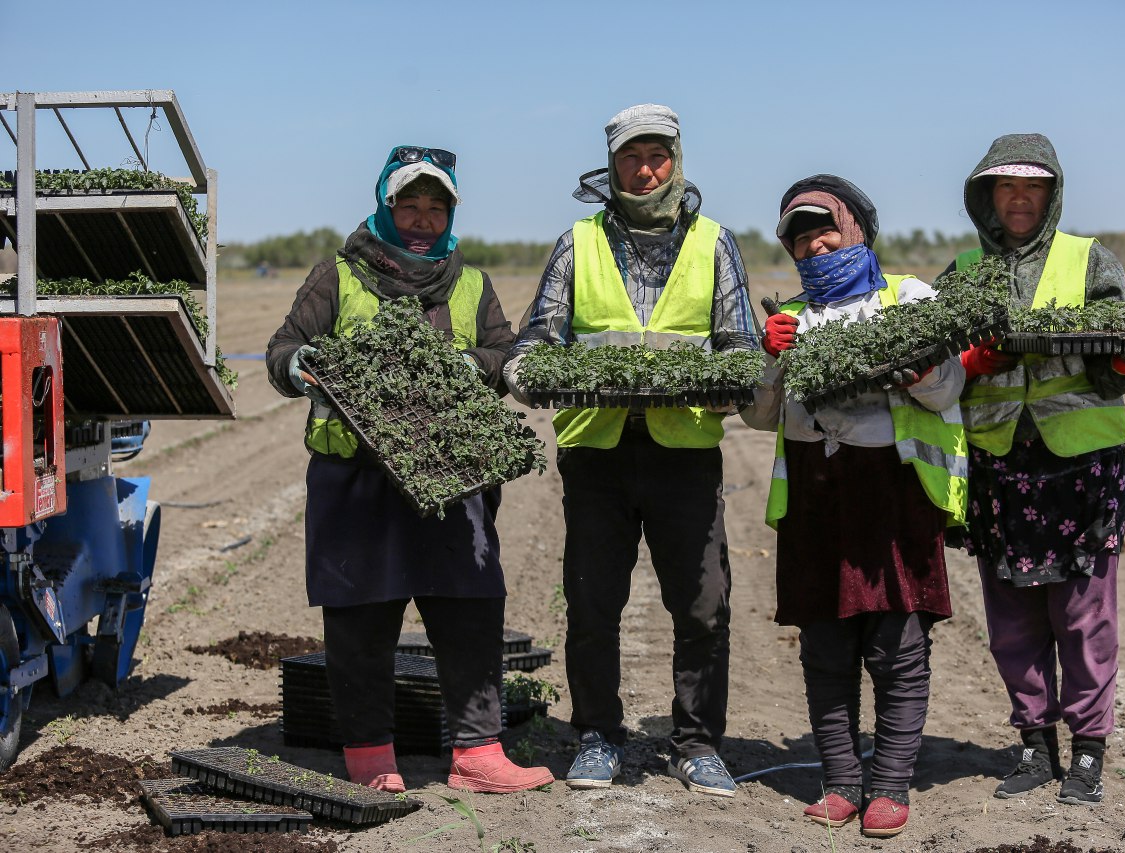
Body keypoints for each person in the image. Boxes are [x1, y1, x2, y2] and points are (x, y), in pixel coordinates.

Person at [265, 145, 552, 795]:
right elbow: (282, 351)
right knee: (360, 611)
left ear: (450, 212)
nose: (423, 218)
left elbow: (503, 353)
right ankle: (370, 753)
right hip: (356, 478)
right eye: (410, 204)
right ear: (386, 206)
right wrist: (302, 363)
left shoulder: (470, 282)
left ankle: (478, 752)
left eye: (436, 205)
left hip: (453, 475)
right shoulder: (337, 275)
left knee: (470, 605)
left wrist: (475, 366)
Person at [504, 104, 758, 797]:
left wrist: (731, 382)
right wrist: (527, 373)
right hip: (598, 453)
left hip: (684, 451)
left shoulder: (714, 243)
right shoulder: (576, 242)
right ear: (611, 165)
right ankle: (596, 734)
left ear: (677, 161)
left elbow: (743, 347)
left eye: (658, 156)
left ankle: (699, 743)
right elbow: (537, 338)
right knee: (592, 600)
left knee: (703, 604)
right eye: (631, 158)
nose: (645, 170)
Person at [943, 133, 1125, 806]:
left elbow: (1107, 367)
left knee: (1083, 617)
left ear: (1052, 193)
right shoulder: (962, 272)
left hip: (1080, 466)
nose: (1019, 198)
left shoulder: (1089, 260)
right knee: (1012, 619)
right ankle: (1034, 746)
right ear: (987, 196)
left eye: (1033, 186)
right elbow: (940, 375)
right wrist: (969, 365)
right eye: (1006, 186)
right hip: (997, 465)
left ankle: (1089, 751)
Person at [741, 175, 965, 837]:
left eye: (826, 228)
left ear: (861, 228)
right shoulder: (795, 317)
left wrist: (916, 365)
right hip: (817, 493)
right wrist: (769, 359)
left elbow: (950, 385)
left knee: (897, 644)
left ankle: (890, 783)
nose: (814, 245)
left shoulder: (909, 298)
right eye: (800, 236)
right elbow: (759, 416)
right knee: (825, 645)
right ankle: (840, 780)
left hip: (891, 490)